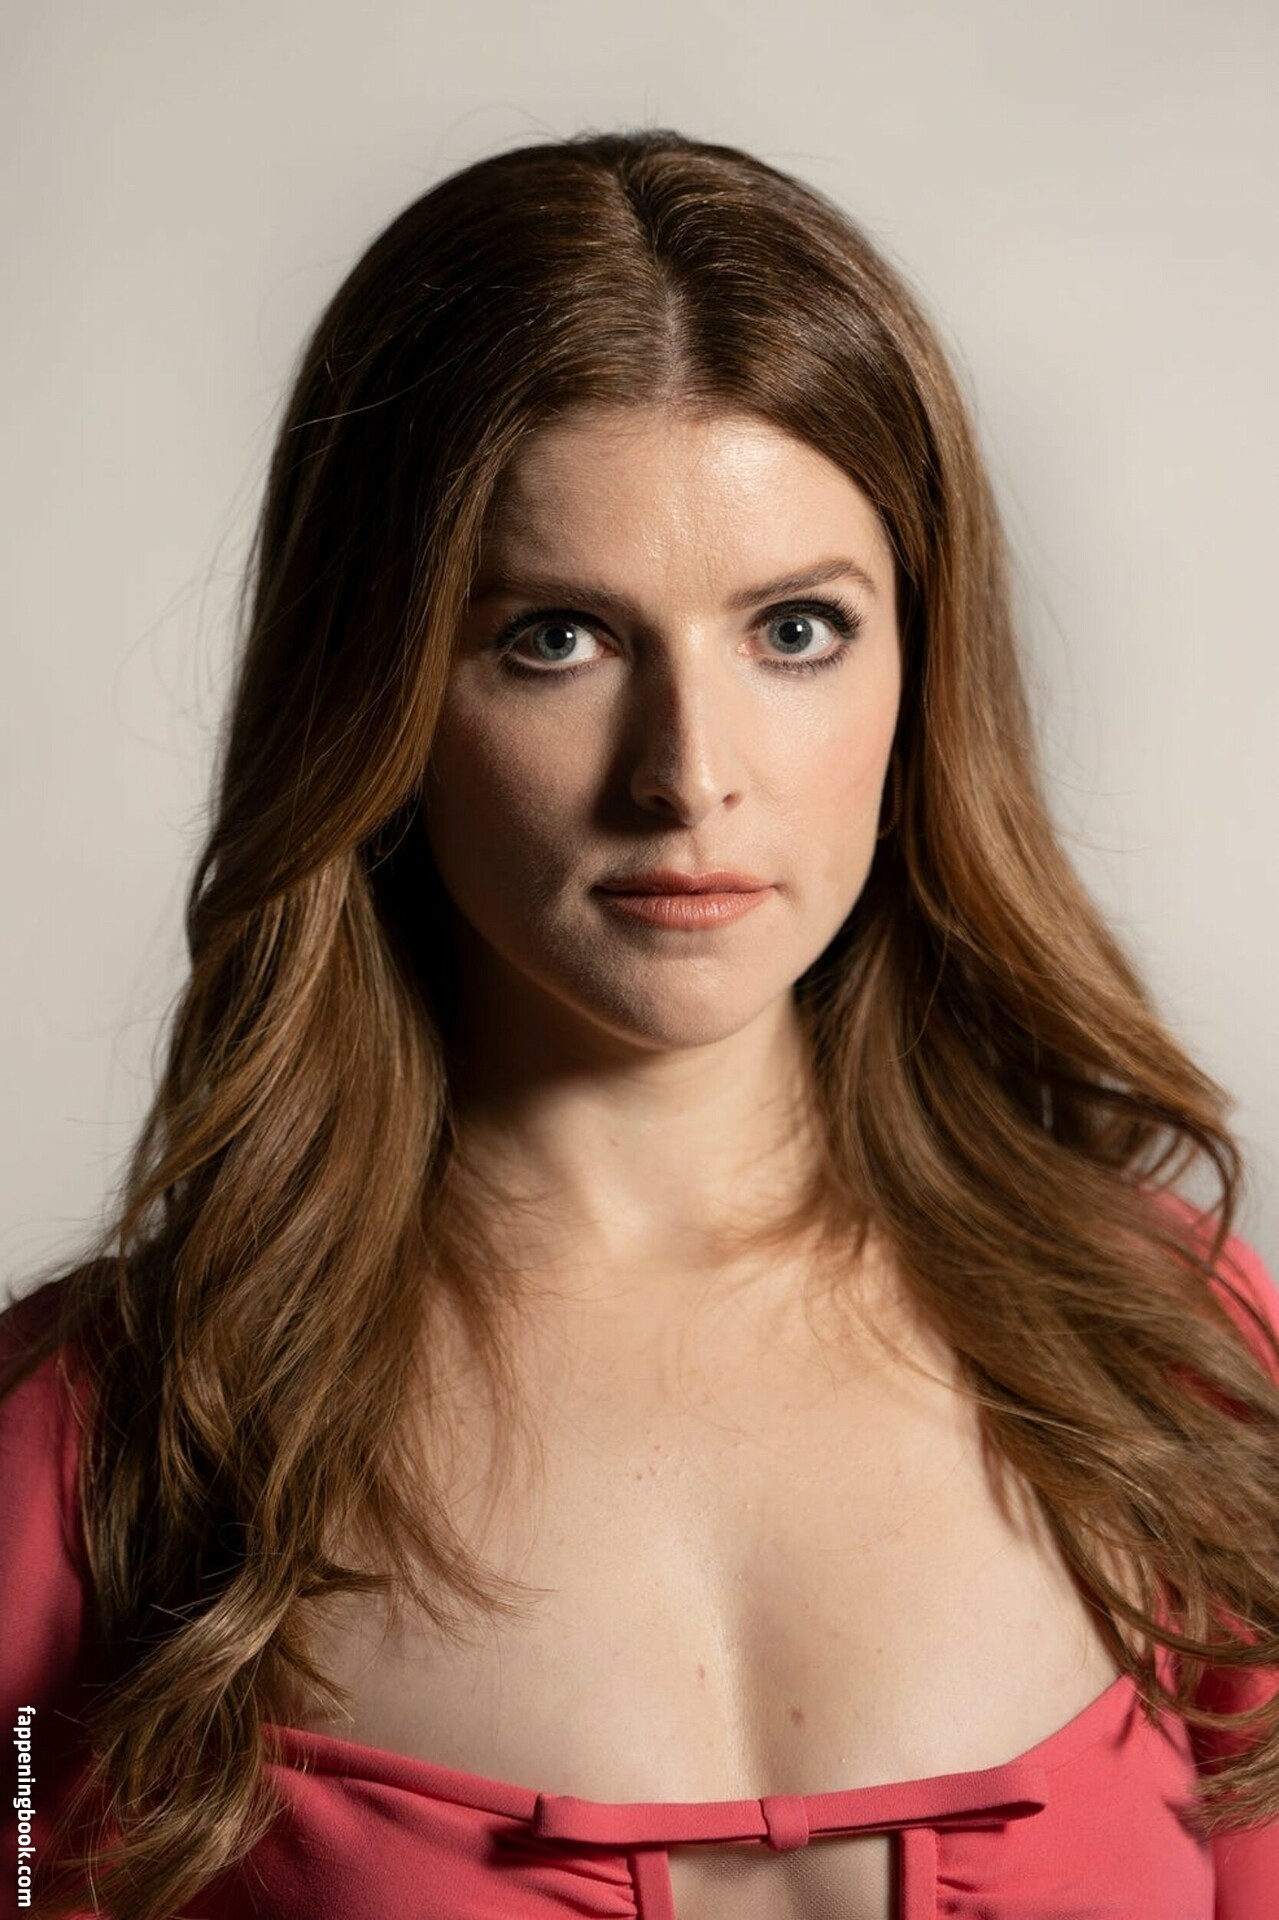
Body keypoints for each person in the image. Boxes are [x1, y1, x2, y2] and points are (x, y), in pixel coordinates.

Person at [2, 126, 1277, 1920]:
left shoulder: (1169, 1359)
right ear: (378, 692)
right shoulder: (102, 1455)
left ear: (921, 672)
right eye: (556, 639)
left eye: (796, 630)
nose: (689, 776)